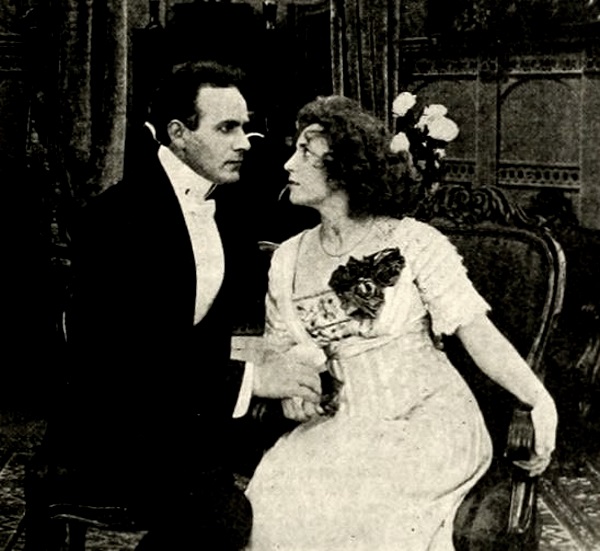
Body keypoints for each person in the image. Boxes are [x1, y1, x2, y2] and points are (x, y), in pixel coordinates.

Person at [24, 61, 323, 551]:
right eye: (227, 128)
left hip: (188, 417)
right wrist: (252, 379)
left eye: (245, 127)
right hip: (114, 430)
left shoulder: (226, 208)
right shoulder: (114, 220)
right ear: (178, 134)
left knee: (311, 464)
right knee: (225, 518)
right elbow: (125, 363)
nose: (245, 142)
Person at [244, 95, 558, 550]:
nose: (289, 164)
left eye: (306, 153)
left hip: (427, 421)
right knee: (280, 499)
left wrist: (539, 399)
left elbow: (477, 332)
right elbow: (282, 353)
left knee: (361, 505)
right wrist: (296, 393)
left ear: (345, 169)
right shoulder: (287, 258)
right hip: (341, 425)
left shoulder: (414, 242)